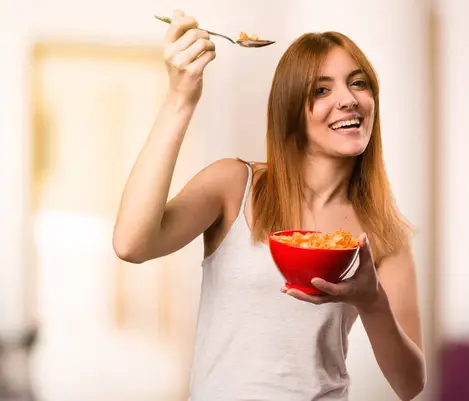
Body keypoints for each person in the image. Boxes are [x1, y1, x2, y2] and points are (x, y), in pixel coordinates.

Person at [113, 9, 426, 401]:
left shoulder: (383, 230)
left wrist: (371, 300)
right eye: (322, 90)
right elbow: (131, 244)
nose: (348, 99)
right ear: (291, 110)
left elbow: (410, 383)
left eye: (358, 83)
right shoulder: (233, 184)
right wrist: (180, 98)